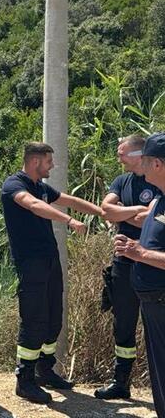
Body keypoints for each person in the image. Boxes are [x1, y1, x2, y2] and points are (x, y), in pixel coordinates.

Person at [1, 142, 103, 404]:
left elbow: (70, 200)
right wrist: (68, 220)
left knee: (53, 318)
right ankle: (25, 380)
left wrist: (101, 212)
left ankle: (44, 371)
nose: (52, 166)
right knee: (34, 319)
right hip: (30, 263)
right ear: (35, 161)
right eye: (49, 161)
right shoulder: (14, 185)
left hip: (49, 260)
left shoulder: (41, 187)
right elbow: (33, 205)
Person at [95, 135, 160, 399]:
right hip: (123, 262)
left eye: (121, 153)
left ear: (138, 155)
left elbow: (150, 219)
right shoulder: (122, 181)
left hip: (153, 264)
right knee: (123, 322)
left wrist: (125, 213)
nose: (118, 157)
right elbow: (105, 210)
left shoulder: (157, 181)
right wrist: (138, 210)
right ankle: (121, 381)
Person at [114, 132, 165, 418]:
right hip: (153, 304)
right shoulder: (158, 202)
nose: (139, 166)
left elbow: (146, 252)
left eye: (144, 159)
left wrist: (140, 253)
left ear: (157, 164)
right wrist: (133, 246)